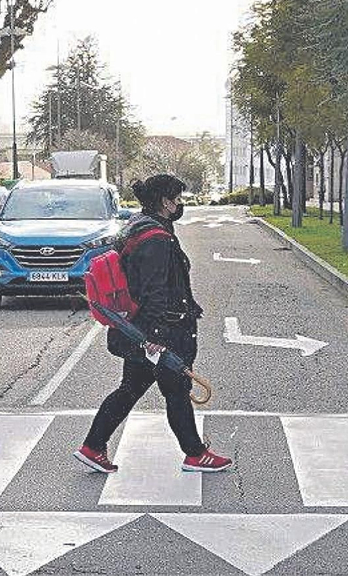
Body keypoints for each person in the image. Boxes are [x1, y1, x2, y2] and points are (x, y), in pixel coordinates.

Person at [74, 173, 232, 475]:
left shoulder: (138, 225)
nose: (180, 204)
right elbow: (154, 289)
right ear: (165, 202)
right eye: (177, 199)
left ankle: (93, 446)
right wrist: (157, 336)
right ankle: (195, 454)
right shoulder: (156, 238)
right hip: (161, 331)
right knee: (176, 389)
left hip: (140, 329)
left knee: (131, 389)